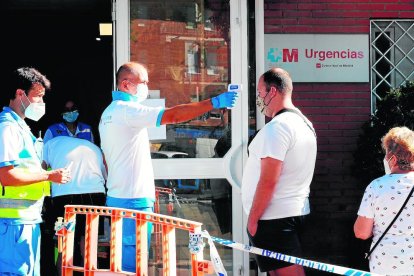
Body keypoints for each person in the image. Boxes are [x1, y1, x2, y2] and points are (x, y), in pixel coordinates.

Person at [99, 62, 238, 272]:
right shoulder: (128, 111)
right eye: (143, 82)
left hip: (118, 196)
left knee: (123, 261)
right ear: (126, 85)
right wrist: (214, 102)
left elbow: (106, 160)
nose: (147, 85)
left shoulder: (108, 113)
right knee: (132, 264)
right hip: (133, 200)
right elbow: (173, 115)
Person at [241, 68, 317, 276]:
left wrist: (253, 220)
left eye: (259, 92)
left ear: (272, 91)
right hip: (289, 213)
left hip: (274, 218)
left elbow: (268, 181)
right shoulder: (304, 123)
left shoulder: (277, 128)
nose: (258, 97)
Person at [0, 67, 71, 276]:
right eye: (38, 97)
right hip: (13, 223)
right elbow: (6, 176)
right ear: (20, 94)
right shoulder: (8, 128)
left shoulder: (20, 127)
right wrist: (49, 176)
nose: (41, 103)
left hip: (25, 219)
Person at [41, 136, 107, 275]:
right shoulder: (93, 147)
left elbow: (41, 171)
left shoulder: (48, 144)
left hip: (65, 195)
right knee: (89, 241)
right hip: (95, 194)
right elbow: (105, 175)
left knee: (64, 241)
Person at [354, 126, 414, 275]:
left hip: (385, 263)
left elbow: (361, 232)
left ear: (392, 159)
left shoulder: (376, 186)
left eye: (386, 153)